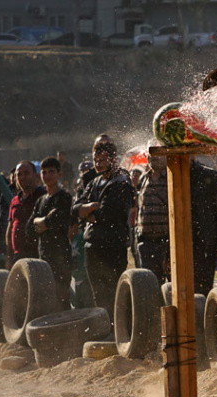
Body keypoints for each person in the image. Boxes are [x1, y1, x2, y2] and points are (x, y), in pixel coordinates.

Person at [72, 137, 134, 319]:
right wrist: (90, 208)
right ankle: (105, 328)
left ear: (113, 159)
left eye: (102, 160)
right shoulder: (93, 182)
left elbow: (108, 213)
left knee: (115, 291)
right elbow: (76, 208)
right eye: (95, 160)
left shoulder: (121, 182)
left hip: (113, 245)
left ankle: (120, 329)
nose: (98, 164)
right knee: (98, 293)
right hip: (92, 245)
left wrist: (88, 212)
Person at [28, 157, 73, 309]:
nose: (47, 176)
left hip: (60, 255)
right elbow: (30, 227)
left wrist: (43, 222)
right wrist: (42, 221)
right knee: (46, 299)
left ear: (59, 174)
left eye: (51, 172)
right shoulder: (40, 200)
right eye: (44, 172)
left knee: (61, 298)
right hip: (43, 255)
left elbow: (55, 221)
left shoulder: (64, 197)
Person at [189, 159, 217, 296]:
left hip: (204, 243)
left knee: (202, 290)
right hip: (180, 242)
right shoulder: (170, 175)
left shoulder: (209, 175)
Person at [135, 154, 170, 283]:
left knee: (172, 284)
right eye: (150, 156)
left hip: (166, 242)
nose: (152, 158)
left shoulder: (171, 177)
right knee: (150, 285)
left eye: (157, 155)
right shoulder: (144, 178)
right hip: (147, 242)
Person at [5, 161, 44, 268]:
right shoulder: (15, 201)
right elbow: (10, 229)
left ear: (35, 176)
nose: (22, 177)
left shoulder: (43, 196)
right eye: (19, 174)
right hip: (18, 256)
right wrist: (9, 256)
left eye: (26, 173)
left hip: (38, 255)